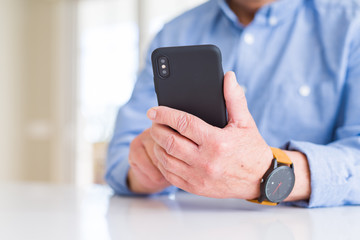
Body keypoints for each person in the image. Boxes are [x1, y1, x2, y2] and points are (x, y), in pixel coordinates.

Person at [106, 0, 360, 208]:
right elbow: (120, 158)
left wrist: (267, 171)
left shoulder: (351, 24)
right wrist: (146, 172)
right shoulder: (174, 32)